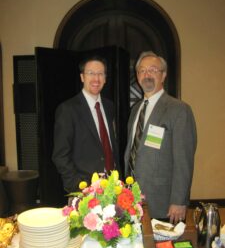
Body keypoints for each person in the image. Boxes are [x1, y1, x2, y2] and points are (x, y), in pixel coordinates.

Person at [124, 51, 197, 224]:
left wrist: (179, 200)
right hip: (132, 200)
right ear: (137, 76)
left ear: (163, 75)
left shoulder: (179, 110)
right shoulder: (135, 110)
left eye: (153, 70)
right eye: (142, 70)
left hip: (163, 202)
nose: (147, 74)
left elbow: (183, 160)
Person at [52, 55, 120, 193]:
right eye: (91, 73)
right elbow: (60, 155)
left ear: (105, 78)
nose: (96, 78)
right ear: (82, 77)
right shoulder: (68, 109)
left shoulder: (109, 106)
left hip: (112, 187)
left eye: (100, 73)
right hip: (84, 189)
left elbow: (110, 145)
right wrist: (79, 186)